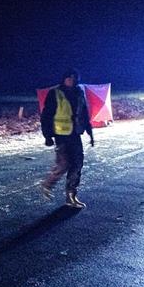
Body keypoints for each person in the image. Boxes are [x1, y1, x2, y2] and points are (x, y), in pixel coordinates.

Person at [39, 68, 94, 208]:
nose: (72, 80)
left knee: (77, 164)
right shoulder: (55, 93)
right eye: (69, 77)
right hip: (60, 135)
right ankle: (47, 184)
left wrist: (90, 132)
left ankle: (71, 196)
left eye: (74, 77)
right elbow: (46, 116)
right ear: (64, 79)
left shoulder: (79, 92)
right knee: (63, 164)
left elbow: (84, 113)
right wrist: (47, 136)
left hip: (75, 134)